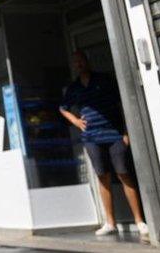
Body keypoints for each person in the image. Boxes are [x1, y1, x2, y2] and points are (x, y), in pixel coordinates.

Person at [59, 50, 149, 237]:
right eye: (75, 62)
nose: (79, 64)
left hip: (114, 134)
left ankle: (139, 221)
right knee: (102, 177)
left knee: (124, 173)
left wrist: (125, 131)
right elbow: (62, 108)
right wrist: (75, 121)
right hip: (91, 137)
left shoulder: (104, 80)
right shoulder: (74, 88)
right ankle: (110, 222)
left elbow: (121, 103)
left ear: (87, 60)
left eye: (81, 60)